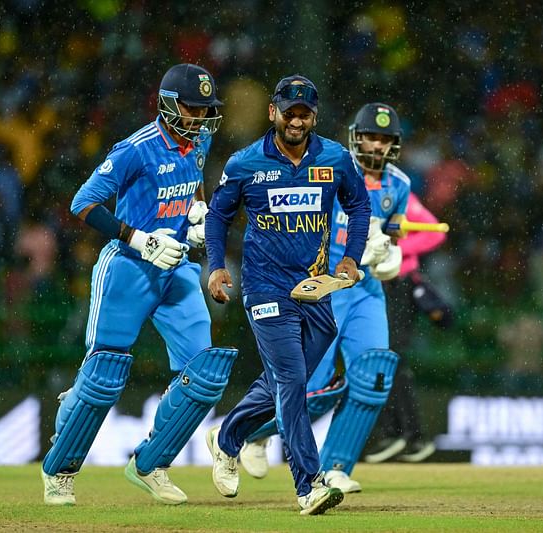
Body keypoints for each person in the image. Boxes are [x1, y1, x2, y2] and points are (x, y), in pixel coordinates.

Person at [40, 64, 239, 506]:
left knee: (205, 373)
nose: (203, 117)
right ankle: (60, 473)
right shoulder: (136, 148)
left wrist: (198, 216)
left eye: (208, 108)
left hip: (177, 267)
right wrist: (138, 238)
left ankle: (150, 464)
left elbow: (193, 187)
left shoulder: (200, 139)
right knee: (104, 376)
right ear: (168, 105)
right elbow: (82, 202)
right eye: (194, 107)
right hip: (129, 266)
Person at [203, 75, 371, 515]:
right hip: (265, 287)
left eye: (305, 112)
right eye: (290, 111)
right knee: (293, 382)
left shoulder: (335, 158)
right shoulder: (244, 164)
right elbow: (218, 216)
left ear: (314, 116)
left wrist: (351, 257)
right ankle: (307, 484)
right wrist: (216, 265)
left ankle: (227, 438)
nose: (297, 119)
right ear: (273, 112)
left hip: (316, 289)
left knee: (281, 382)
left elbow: (359, 205)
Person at [236, 102, 410, 493]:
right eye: (371, 137)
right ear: (356, 136)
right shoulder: (329, 166)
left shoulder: (399, 184)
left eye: (385, 139)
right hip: (321, 285)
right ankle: (250, 433)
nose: (378, 146)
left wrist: (387, 255)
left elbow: (392, 244)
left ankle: (335, 467)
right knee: (312, 388)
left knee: (373, 376)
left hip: (365, 291)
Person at [364, 191, 449, 464]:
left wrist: (396, 248)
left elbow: (436, 232)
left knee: (390, 355)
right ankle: (404, 434)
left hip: (398, 283)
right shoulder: (351, 186)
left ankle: (403, 434)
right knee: (377, 356)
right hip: (365, 284)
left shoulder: (398, 191)